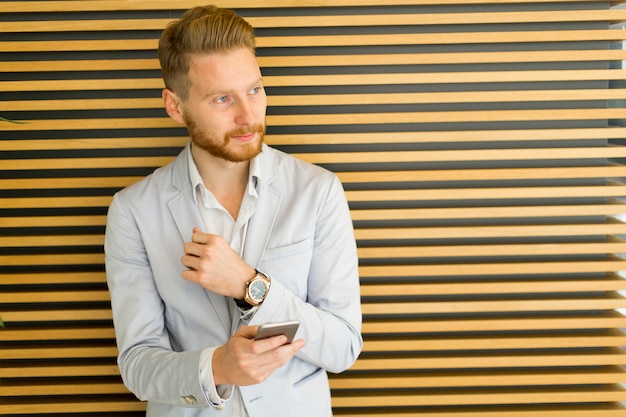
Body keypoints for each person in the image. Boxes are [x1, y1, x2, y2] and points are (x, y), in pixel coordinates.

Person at [104, 5, 363, 417]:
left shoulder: (318, 191)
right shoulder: (132, 211)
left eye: (255, 90)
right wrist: (217, 368)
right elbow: (137, 366)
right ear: (175, 106)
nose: (248, 116)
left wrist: (250, 285)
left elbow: (343, 346)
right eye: (223, 98)